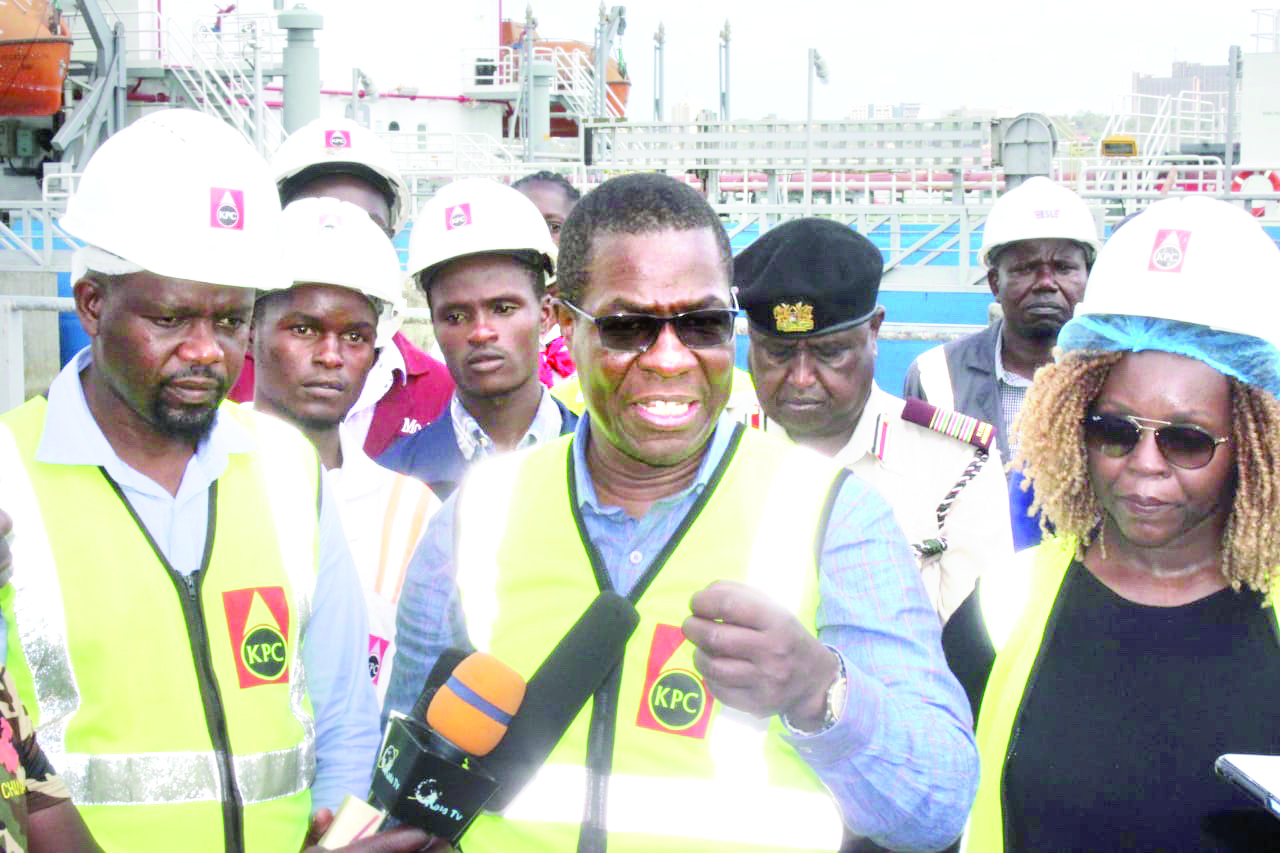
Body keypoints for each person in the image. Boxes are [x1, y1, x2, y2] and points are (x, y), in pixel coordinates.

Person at [387, 173, 978, 852]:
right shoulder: (476, 516)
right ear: (563, 324)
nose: (670, 359)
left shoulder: (835, 518)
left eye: (700, 323)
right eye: (629, 327)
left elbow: (936, 807)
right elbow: (404, 766)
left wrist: (820, 691)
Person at [0, 109, 379, 851]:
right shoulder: (8, 478)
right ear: (92, 304)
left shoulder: (287, 469)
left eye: (232, 320)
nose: (206, 351)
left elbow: (342, 715)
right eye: (171, 318)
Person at [943, 196, 1280, 852]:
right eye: (1114, 430)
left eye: (1186, 440)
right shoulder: (1003, 608)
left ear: (1253, 444)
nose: (1143, 468)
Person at [737, 218, 1013, 621]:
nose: (800, 378)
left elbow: (969, 649)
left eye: (830, 352)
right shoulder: (719, 447)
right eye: (777, 354)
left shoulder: (955, 464)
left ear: (874, 330)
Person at [251, 197, 440, 705]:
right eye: (304, 329)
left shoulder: (412, 512)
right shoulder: (193, 483)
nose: (331, 356)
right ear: (250, 330)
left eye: (354, 336)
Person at [229, 116, 456, 457]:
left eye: (366, 223)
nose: (341, 235)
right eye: (313, 217)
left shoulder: (439, 392)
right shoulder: (221, 377)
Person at [377, 179, 578, 500]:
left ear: (545, 316)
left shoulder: (609, 468)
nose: (481, 332)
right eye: (456, 316)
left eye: (503, 308)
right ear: (434, 324)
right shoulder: (392, 484)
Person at [902, 176, 1100, 467]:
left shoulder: (1117, 376)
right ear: (995, 282)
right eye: (1026, 268)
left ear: (1088, 277)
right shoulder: (935, 376)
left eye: (1063, 267)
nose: (1046, 283)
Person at [514, 171, 581, 388]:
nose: (538, 238)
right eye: (522, 225)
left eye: (554, 227)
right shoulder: (475, 325)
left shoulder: (600, 321)